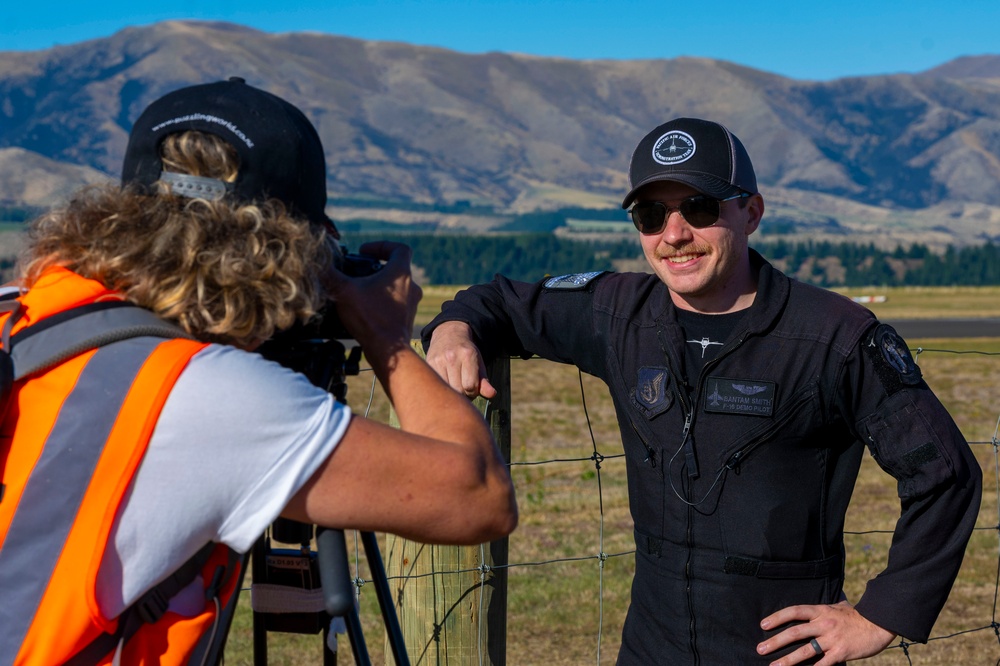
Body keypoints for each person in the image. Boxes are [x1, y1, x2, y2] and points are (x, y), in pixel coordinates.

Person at [422, 117, 982, 665]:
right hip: (650, 645)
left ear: (752, 212)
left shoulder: (834, 337)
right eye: (650, 214)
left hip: (778, 652)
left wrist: (880, 615)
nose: (674, 234)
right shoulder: (618, 314)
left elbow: (945, 474)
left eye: (700, 208)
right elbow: (496, 299)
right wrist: (452, 331)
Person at [0, 78, 517, 665]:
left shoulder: (21, 314)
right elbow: (481, 497)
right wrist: (385, 335)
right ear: (288, 248)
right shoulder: (202, 393)